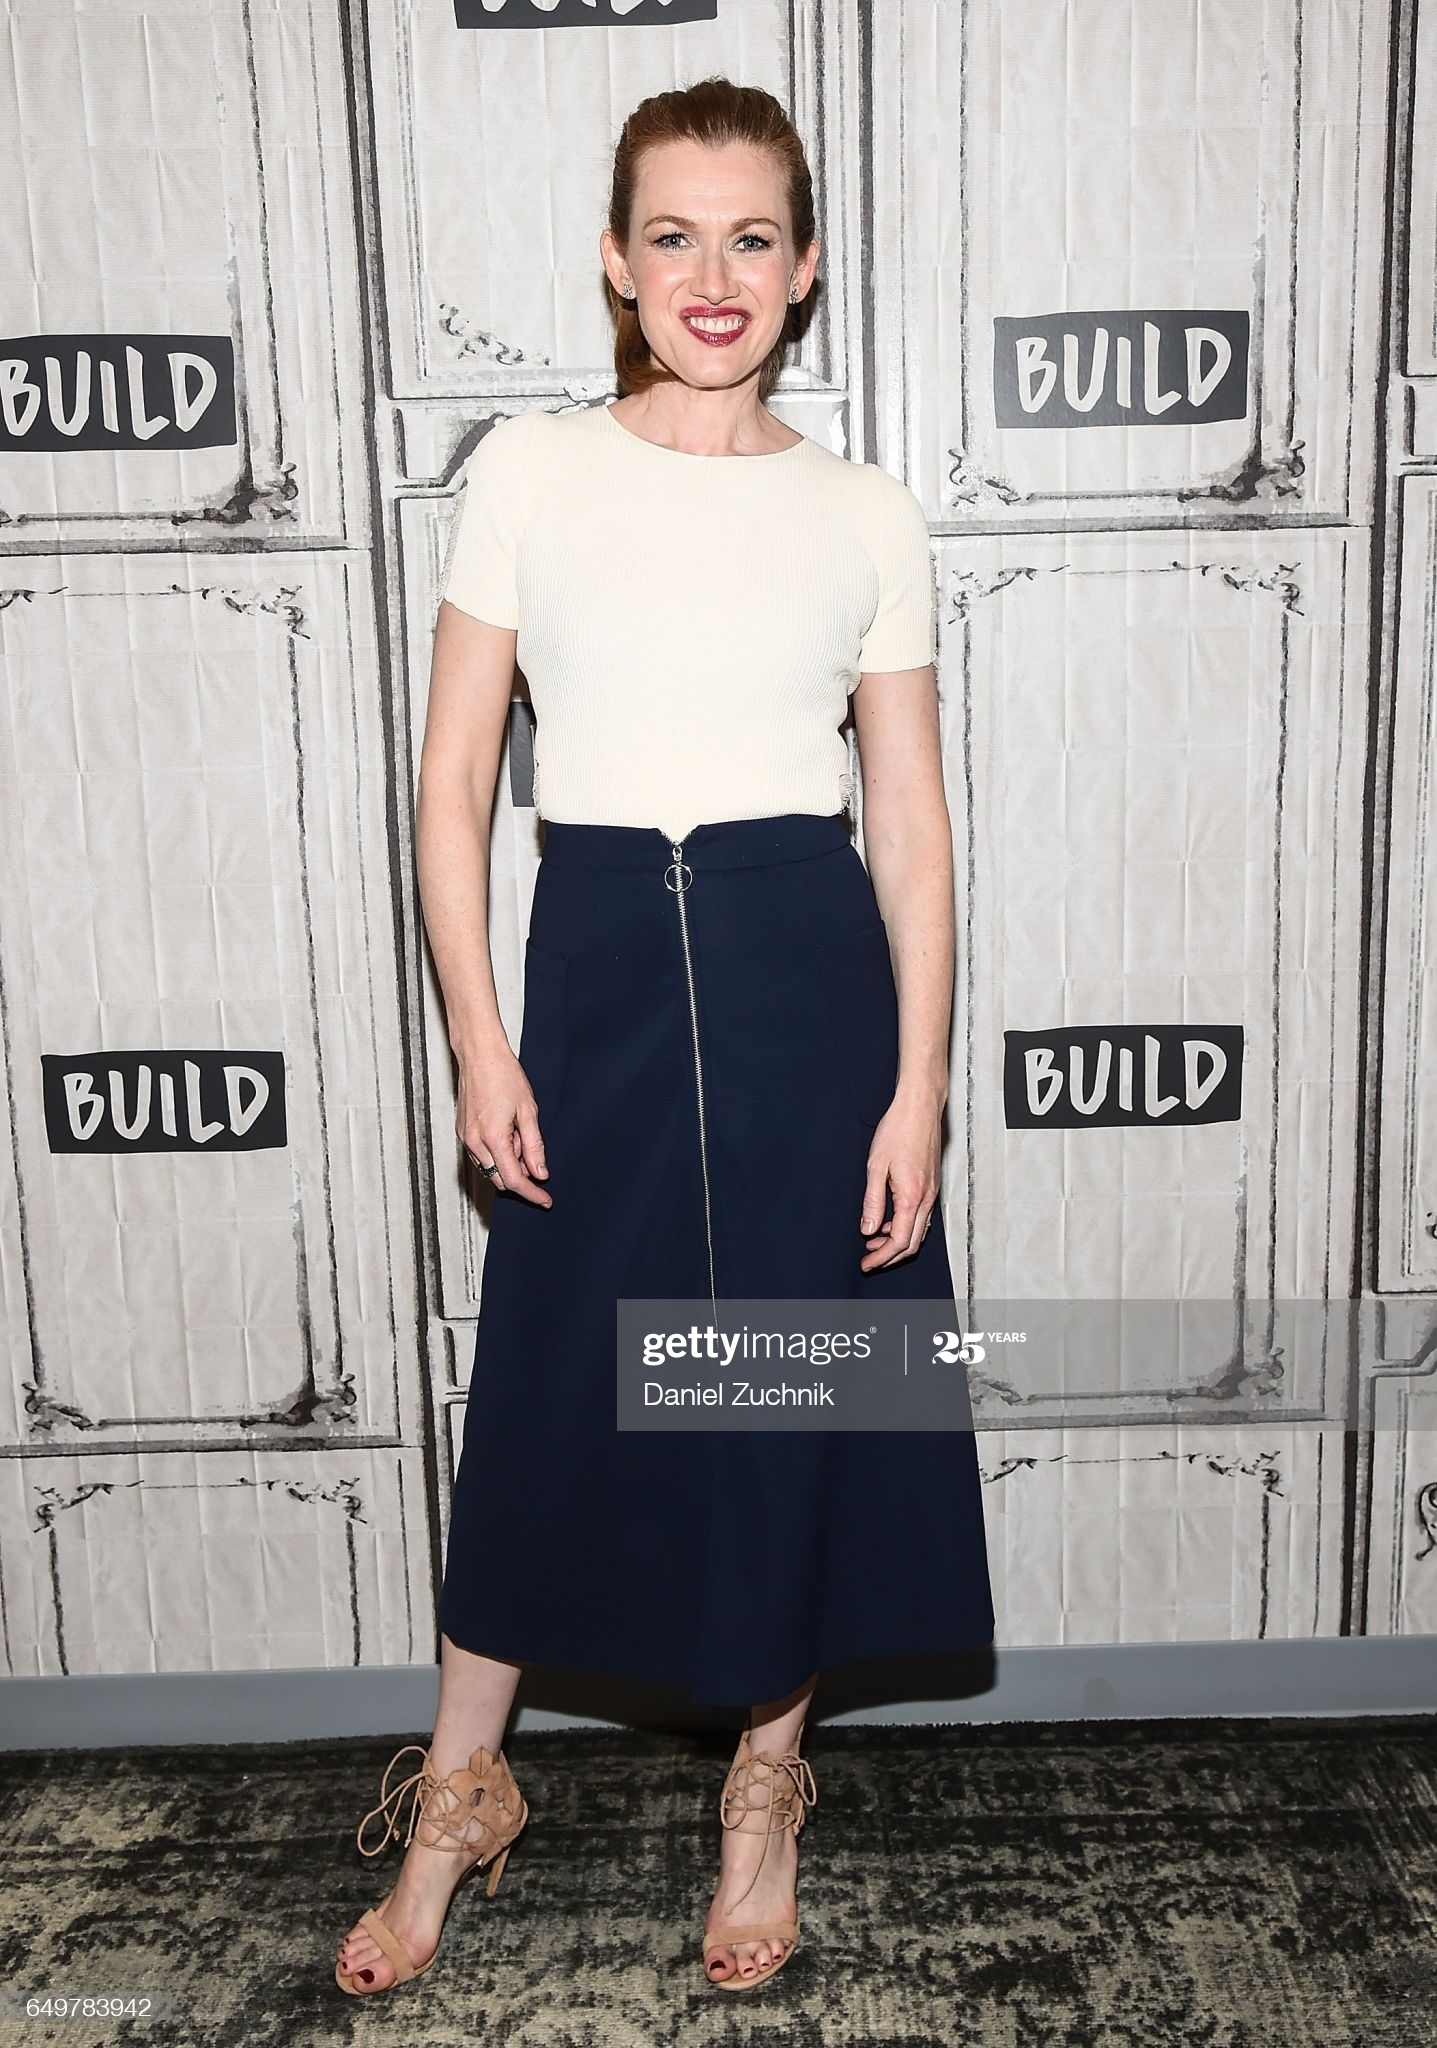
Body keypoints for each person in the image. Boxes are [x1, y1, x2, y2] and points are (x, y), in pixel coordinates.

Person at [336, 73, 994, 1999]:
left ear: (804, 267)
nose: (715, 274)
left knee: (789, 1380)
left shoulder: (861, 508)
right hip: (602, 963)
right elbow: (454, 785)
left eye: (752, 237)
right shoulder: (531, 472)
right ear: (618, 264)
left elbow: (910, 821)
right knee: (553, 1384)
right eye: (675, 235)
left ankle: (762, 1798)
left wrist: (917, 1086)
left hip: (806, 974)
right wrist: (480, 1039)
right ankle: (463, 1794)